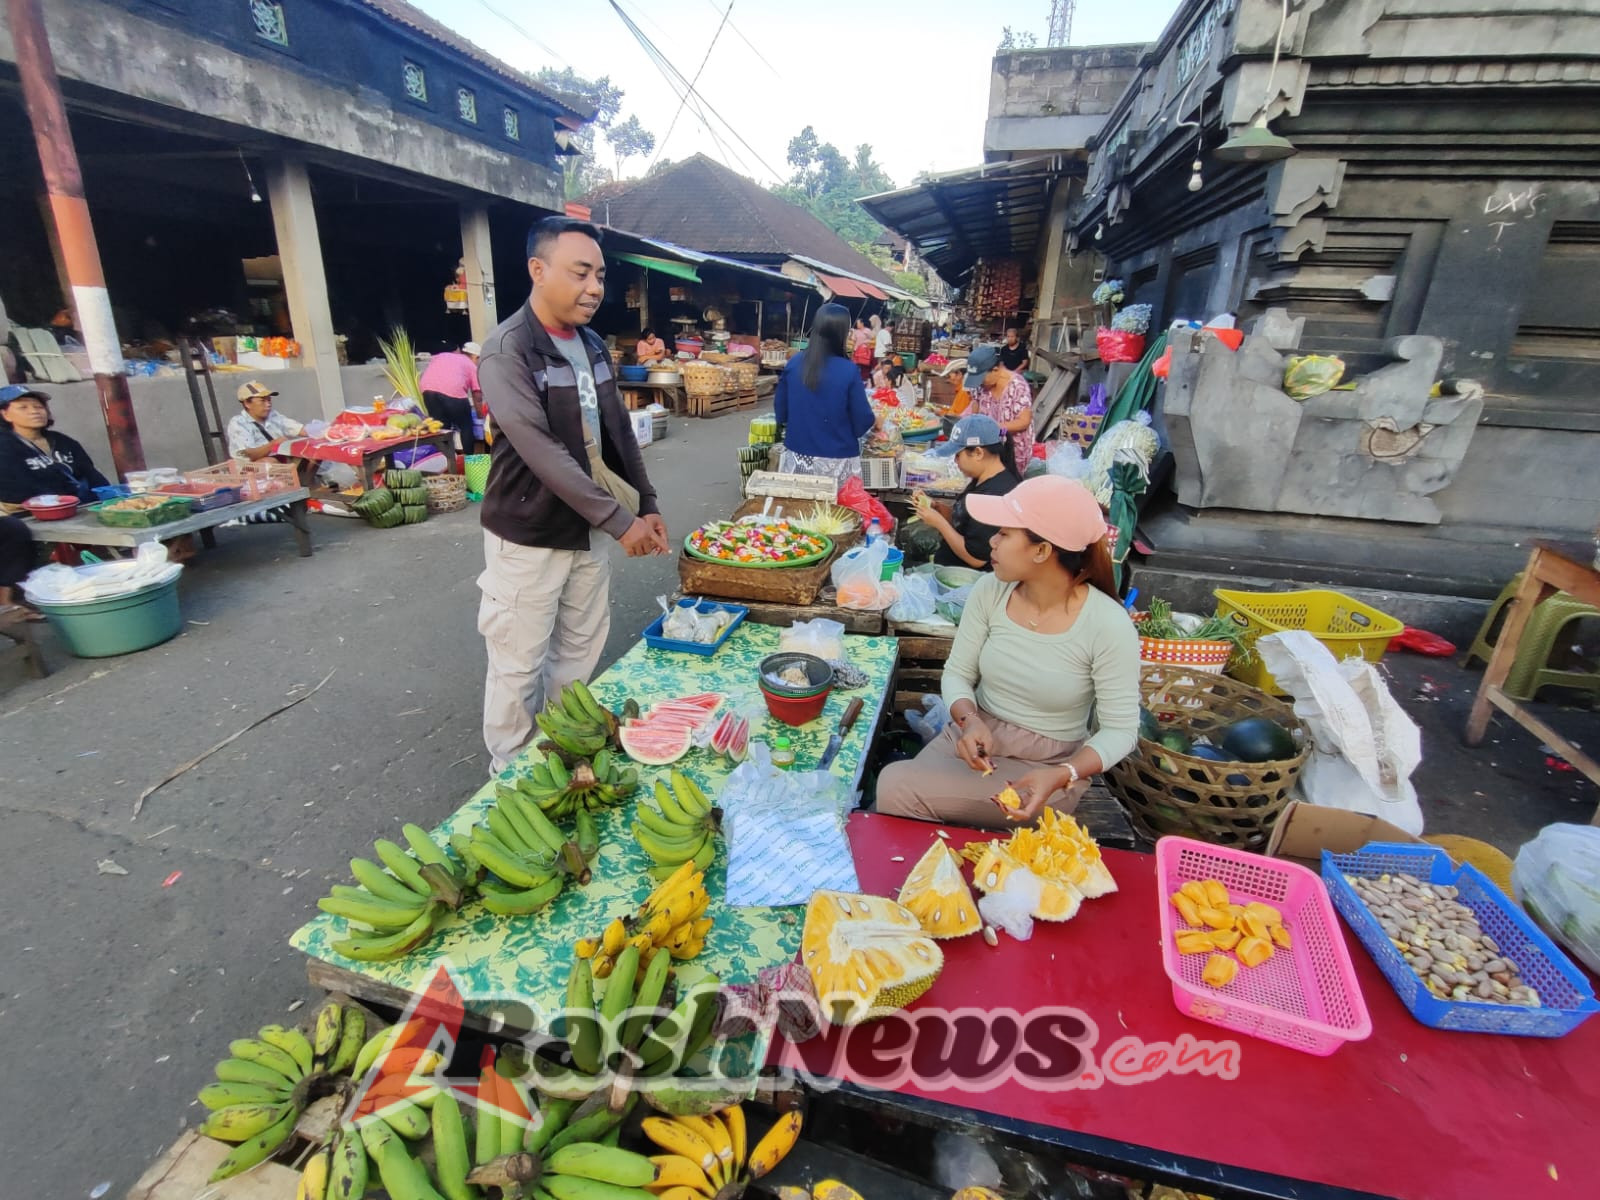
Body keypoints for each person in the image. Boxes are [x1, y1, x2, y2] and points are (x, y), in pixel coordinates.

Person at [477, 215, 668, 771]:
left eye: (601, 276)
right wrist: (621, 522)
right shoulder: (508, 350)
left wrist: (647, 504)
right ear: (538, 270)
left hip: (589, 531)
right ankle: (510, 771)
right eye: (580, 273)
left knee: (579, 650)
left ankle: (558, 749)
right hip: (529, 532)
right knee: (519, 661)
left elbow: (619, 436)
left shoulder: (592, 346)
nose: (594, 288)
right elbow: (542, 453)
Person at [877, 476, 1139, 828]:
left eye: (1004, 534)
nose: (992, 542)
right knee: (900, 798)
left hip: (1046, 771)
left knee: (895, 785)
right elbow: (958, 674)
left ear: (1042, 551)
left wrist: (1064, 773)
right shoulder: (990, 591)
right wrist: (969, 721)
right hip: (973, 742)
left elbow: (1120, 731)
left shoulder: (1108, 623)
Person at [775, 303, 876, 487]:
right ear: (841, 334)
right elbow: (863, 420)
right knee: (836, 514)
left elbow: (781, 413)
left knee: (798, 510)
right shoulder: (849, 370)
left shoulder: (794, 363)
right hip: (838, 462)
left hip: (797, 457)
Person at [912, 414, 1021, 570]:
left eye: (958, 455)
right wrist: (938, 508)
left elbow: (976, 558)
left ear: (978, 453)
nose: (955, 462)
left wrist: (940, 523)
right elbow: (966, 523)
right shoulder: (982, 479)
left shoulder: (996, 495)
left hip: (965, 578)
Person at [0, 384, 110, 507]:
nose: (34, 411)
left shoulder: (63, 441)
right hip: (32, 513)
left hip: (80, 507)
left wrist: (110, 498)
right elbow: (11, 490)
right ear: (5, 415)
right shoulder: (5, 445)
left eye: (39, 407)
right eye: (23, 407)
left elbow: (92, 475)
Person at [963, 344, 1035, 476]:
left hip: (1013, 452)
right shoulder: (980, 386)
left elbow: (1024, 421)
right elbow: (975, 405)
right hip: (987, 450)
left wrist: (994, 428)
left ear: (996, 370)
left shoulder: (1017, 386)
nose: (979, 383)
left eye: (981, 378)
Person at [419, 342, 482, 455]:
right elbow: (477, 396)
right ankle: (470, 463)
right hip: (452, 390)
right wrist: (480, 415)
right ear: (475, 357)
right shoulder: (471, 365)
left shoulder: (442, 356)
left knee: (442, 429)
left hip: (427, 390)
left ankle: (447, 462)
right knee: (466, 426)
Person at [226, 381, 306, 462]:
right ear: (247, 403)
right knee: (269, 462)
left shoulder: (273, 416)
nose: (268, 404)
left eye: (269, 400)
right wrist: (274, 444)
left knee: (308, 455)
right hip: (250, 468)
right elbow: (249, 455)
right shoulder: (238, 423)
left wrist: (314, 431)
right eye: (262, 400)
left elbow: (298, 429)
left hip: (280, 461)